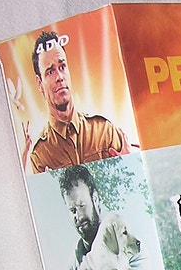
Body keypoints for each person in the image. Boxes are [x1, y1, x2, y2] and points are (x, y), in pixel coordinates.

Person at [29, 31, 130, 173]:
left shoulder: (104, 130)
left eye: (62, 67)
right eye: (50, 72)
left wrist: (131, 163)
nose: (59, 77)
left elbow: (131, 177)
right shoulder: (41, 156)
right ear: (40, 84)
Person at [59, 164, 151, 270]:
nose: (78, 216)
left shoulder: (132, 248)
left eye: (82, 206)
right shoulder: (72, 269)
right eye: (72, 210)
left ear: (95, 199)